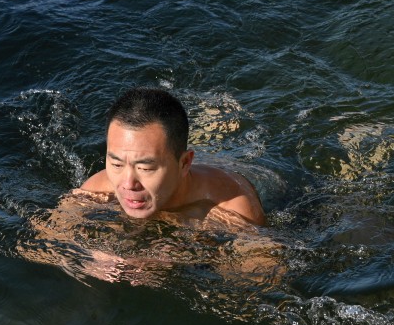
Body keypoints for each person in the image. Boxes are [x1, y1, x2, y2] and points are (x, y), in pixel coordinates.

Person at [76, 86, 266, 226]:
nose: (128, 184)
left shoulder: (233, 208)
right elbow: (51, 240)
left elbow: (263, 273)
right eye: (117, 164)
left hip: (238, 166)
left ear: (184, 163)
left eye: (145, 168)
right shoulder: (97, 191)